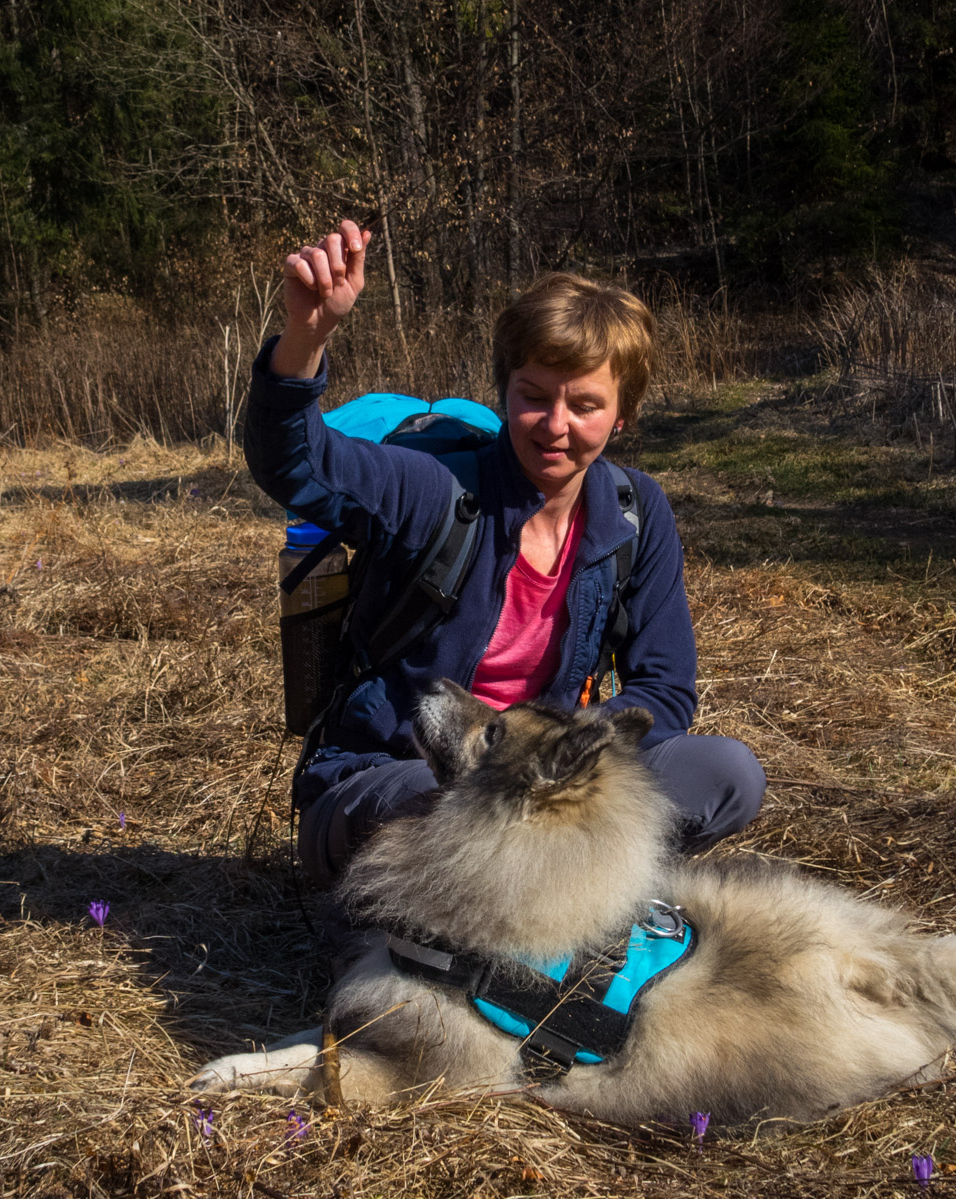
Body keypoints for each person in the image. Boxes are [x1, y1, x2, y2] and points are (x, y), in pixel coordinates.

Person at [246, 219, 765, 895]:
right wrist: (307, 337)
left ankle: (551, 884)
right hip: (393, 777)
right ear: (504, 390)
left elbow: (664, 690)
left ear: (623, 414)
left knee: (728, 774)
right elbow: (295, 463)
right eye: (534, 397)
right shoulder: (432, 489)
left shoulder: (638, 512)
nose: (555, 426)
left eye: (585, 405)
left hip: (545, 790)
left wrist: (561, 765)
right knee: (456, 816)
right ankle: (561, 890)